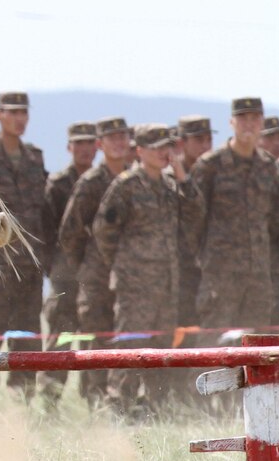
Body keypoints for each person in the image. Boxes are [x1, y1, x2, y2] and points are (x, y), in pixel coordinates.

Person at [92, 124, 203, 417]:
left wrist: (181, 173)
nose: (163, 153)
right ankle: (119, 409)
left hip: (167, 285)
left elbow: (196, 212)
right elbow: (104, 231)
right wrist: (124, 267)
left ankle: (153, 409)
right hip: (135, 287)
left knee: (160, 350)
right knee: (131, 348)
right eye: (155, 148)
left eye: (167, 146)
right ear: (139, 151)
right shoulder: (126, 186)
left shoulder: (169, 186)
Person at [0, 92, 52, 403]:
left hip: (29, 270)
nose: (20, 119)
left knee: (28, 340)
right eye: (13, 112)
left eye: (24, 113)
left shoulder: (35, 158)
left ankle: (22, 405)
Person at [189, 98, 279, 339]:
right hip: (220, 277)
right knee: (213, 346)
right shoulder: (210, 165)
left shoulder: (269, 167)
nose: (249, 125)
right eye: (243, 119)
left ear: (261, 122)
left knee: (258, 348)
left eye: (254, 118)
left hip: (259, 277)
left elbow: (274, 221)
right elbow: (193, 220)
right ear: (231, 122)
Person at [58, 116, 132, 407]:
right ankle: (96, 404)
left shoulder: (134, 177)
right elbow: (69, 233)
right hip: (97, 278)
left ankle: (122, 402)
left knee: (126, 340)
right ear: (101, 144)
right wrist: (88, 266)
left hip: (131, 278)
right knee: (97, 342)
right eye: (111, 138)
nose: (118, 142)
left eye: (122, 137)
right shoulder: (90, 183)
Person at [37, 121, 97, 407]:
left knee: (93, 340)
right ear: (69, 147)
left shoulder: (104, 181)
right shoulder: (58, 185)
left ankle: (93, 401)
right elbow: (46, 232)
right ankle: (49, 401)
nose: (85, 149)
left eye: (90, 143)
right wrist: (54, 269)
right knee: (60, 338)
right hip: (64, 277)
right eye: (79, 143)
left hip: (96, 277)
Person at [171, 116, 215, 327]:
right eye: (198, 140)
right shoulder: (166, 179)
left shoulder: (217, 173)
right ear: (181, 143)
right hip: (178, 274)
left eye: (208, 140)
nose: (205, 146)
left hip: (212, 271)